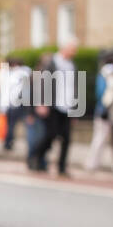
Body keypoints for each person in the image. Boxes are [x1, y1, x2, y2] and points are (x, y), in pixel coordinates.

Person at [33, 40, 79, 176]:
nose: (74, 52)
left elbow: (75, 87)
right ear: (64, 48)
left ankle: (62, 167)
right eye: (72, 49)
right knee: (51, 135)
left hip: (68, 106)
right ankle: (36, 156)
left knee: (67, 138)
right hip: (53, 105)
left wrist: (75, 109)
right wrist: (42, 102)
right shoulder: (52, 62)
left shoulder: (72, 65)